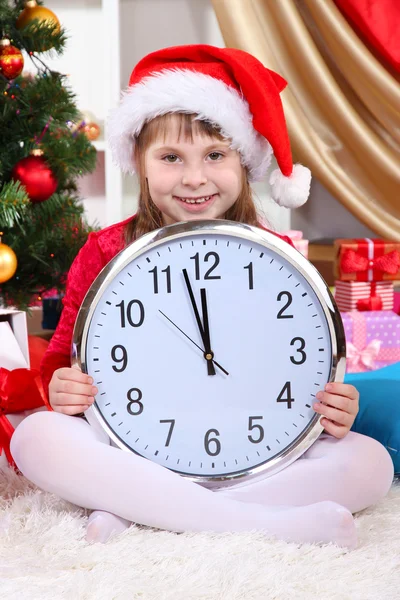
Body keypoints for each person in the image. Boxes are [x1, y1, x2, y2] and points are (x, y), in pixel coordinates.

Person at [10, 45, 393, 548]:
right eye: (171, 158)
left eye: (215, 155)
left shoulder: (277, 258)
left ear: (243, 161)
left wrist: (337, 407)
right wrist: (60, 386)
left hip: (254, 453)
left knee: (370, 462)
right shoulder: (105, 251)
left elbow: (313, 365)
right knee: (36, 438)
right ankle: (274, 523)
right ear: (142, 165)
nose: (194, 178)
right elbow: (61, 358)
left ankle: (139, 508)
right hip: (132, 445)